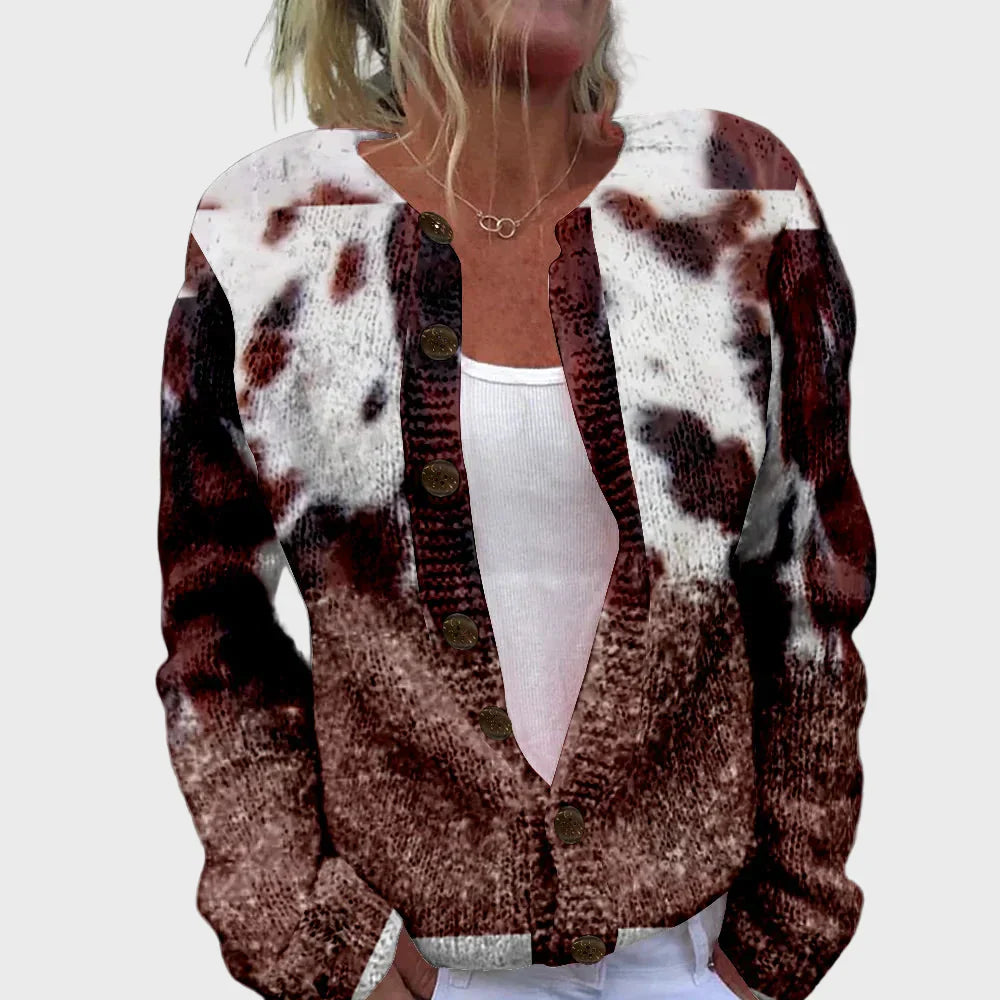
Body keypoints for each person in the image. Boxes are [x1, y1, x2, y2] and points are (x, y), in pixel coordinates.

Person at [155, 2, 875, 1000]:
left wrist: (780, 933)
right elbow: (214, 623)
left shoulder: (731, 189)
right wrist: (308, 928)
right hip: (413, 969)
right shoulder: (274, 223)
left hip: (690, 963)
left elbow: (808, 585)